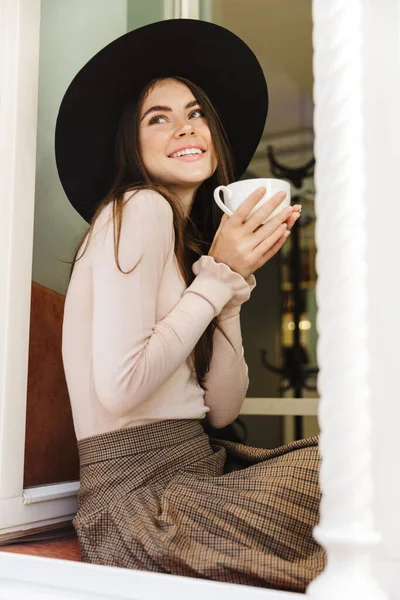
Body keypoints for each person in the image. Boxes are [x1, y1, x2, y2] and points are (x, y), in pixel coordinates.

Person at [56, 18, 326, 592]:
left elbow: (222, 411)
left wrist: (229, 287)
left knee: (352, 463)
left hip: (197, 472)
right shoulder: (139, 209)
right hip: (140, 504)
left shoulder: (185, 247)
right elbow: (121, 386)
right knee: (352, 474)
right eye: (160, 118)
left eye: (196, 112)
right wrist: (219, 276)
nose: (187, 127)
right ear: (132, 141)